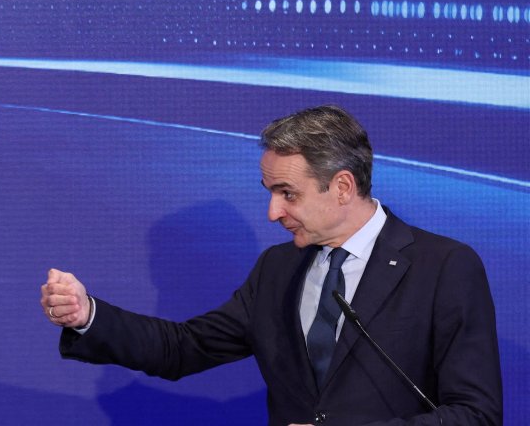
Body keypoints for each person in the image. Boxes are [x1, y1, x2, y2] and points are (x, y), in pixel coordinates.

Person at [41, 105, 502, 425]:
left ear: (342, 187)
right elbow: (183, 348)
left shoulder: (444, 267)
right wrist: (88, 316)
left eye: (288, 194)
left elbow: (475, 415)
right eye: (270, 193)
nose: (273, 213)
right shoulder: (278, 269)